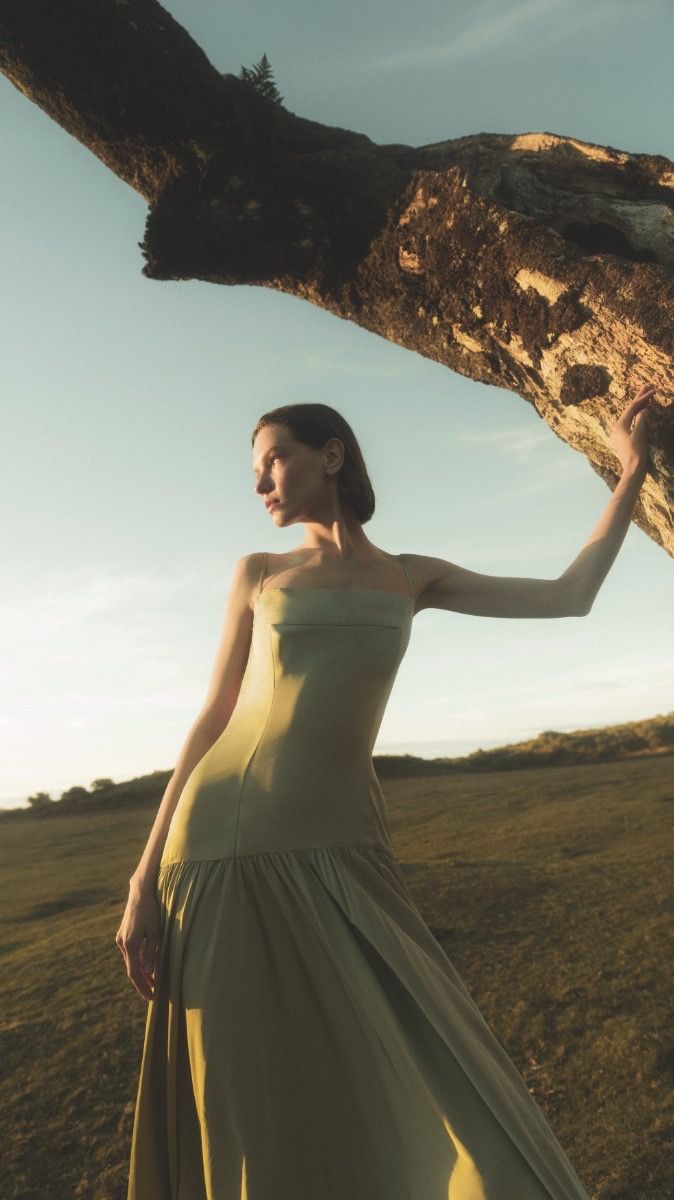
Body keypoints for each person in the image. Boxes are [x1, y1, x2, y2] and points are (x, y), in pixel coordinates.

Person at [118, 383, 654, 1199]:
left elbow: (568, 597)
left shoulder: (412, 577)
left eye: (275, 460)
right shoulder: (259, 572)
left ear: (330, 455)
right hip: (223, 845)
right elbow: (212, 719)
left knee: (428, 1060)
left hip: (344, 851)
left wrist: (632, 472)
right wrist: (142, 879)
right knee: (247, 1094)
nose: (261, 483)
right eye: (255, 470)